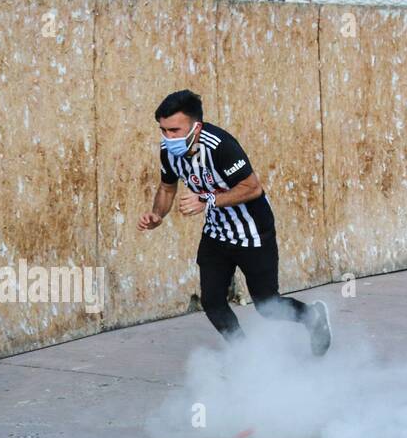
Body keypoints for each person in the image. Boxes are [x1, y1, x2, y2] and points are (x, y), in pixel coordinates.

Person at [138, 89, 331, 354]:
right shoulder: (168, 151)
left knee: (267, 306)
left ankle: (313, 316)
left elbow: (252, 188)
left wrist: (206, 200)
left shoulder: (220, 146)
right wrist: (157, 214)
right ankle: (246, 355)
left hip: (252, 231)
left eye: (175, 130)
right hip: (217, 233)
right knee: (213, 301)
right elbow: (167, 188)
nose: (168, 137)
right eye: (163, 130)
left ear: (196, 126)